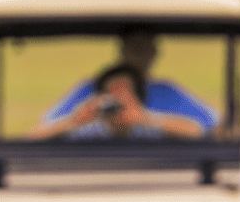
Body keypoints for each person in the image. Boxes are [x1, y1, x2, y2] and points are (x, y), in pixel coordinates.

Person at [30, 32, 218, 140]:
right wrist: (75, 120)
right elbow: (34, 136)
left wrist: (143, 118)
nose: (118, 100)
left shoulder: (147, 125)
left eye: (125, 93)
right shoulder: (90, 126)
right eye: (112, 94)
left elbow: (203, 130)